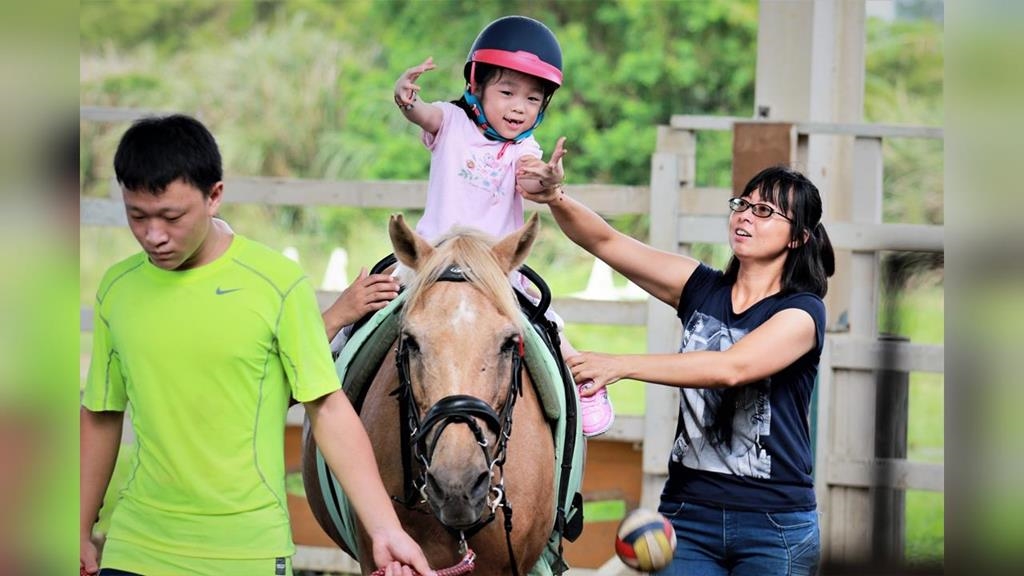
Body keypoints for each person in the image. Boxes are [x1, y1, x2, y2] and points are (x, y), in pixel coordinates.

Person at [80, 114, 434, 576]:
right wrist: (78, 526)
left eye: (172, 217)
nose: (154, 235)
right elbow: (102, 413)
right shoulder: (117, 289)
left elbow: (327, 408)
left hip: (245, 553)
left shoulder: (276, 284)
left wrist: (385, 529)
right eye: (137, 216)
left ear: (214, 196)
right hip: (136, 547)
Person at [523, 165, 834, 575]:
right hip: (687, 518)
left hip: (774, 526)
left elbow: (732, 367)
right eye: (743, 205)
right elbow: (605, 240)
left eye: (764, 211)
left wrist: (621, 365)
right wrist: (555, 197)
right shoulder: (701, 288)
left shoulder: (803, 312)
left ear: (798, 237)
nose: (745, 216)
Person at [392, 14, 614, 437]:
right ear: (476, 87)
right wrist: (405, 99)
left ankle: (578, 379)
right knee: (372, 310)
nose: (518, 107)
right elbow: (422, 114)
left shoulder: (524, 147)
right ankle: (337, 365)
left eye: (532, 99)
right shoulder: (451, 121)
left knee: (548, 325)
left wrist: (549, 180)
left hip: (495, 269)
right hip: (429, 262)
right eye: (507, 92)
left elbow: (529, 179)